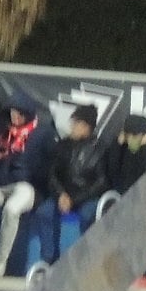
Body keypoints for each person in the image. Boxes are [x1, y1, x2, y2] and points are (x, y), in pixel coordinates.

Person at [0, 96, 54, 277]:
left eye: (19, 114)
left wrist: (28, 174)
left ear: (27, 114)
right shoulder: (3, 133)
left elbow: (50, 166)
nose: (15, 118)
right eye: (12, 114)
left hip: (26, 186)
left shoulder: (43, 133)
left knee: (12, 210)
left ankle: (0, 261)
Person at [42, 104, 112, 262]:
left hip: (86, 197)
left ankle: (86, 260)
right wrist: (61, 195)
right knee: (44, 213)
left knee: (88, 215)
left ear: (86, 127)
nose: (72, 127)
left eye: (76, 123)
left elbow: (101, 182)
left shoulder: (100, 148)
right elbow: (53, 174)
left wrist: (75, 199)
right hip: (64, 195)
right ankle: (50, 259)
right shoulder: (63, 145)